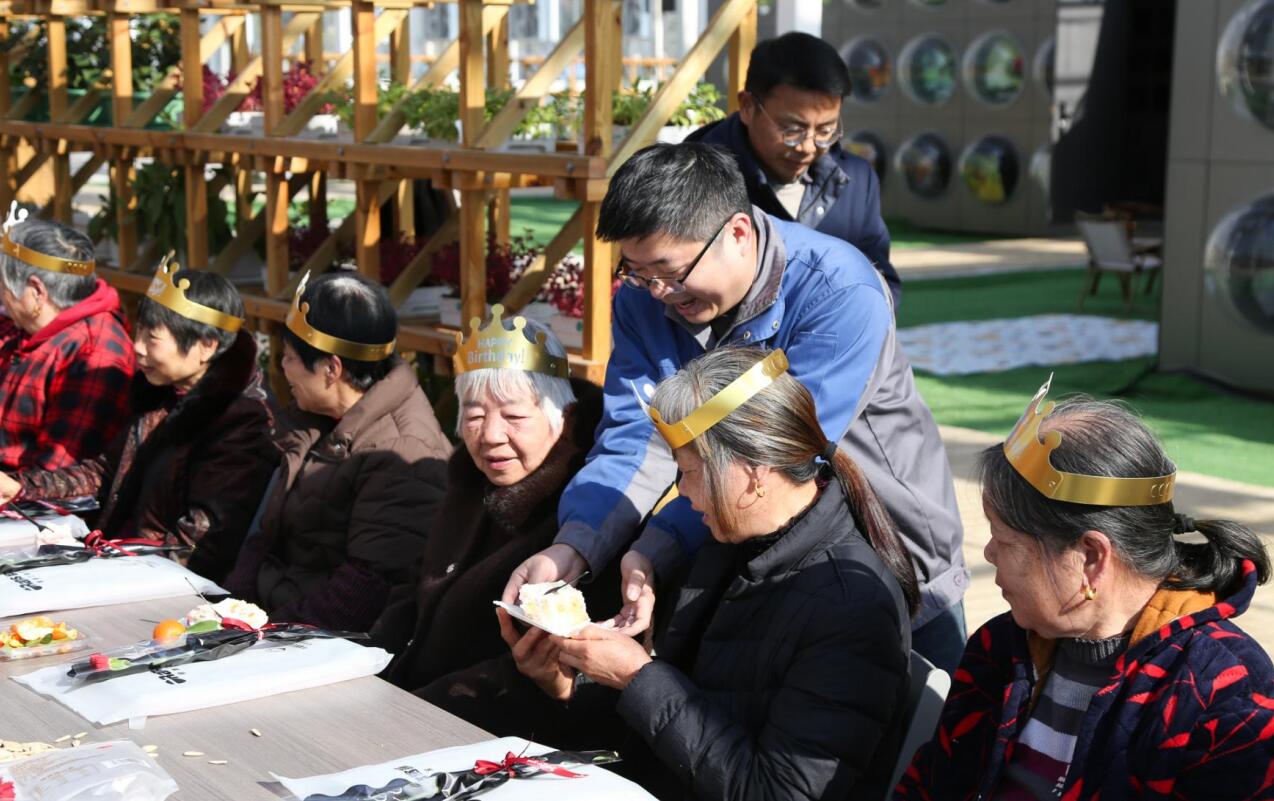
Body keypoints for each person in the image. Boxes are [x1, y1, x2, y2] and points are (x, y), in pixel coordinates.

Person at [504, 142, 969, 672]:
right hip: (754, 558)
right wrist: (575, 546)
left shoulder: (839, 292)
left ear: (739, 233)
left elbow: (773, 460)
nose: (657, 292)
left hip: (891, 549)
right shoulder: (642, 298)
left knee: (929, 714)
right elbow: (637, 434)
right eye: (635, 271)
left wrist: (657, 544)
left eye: (669, 271)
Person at [505, 347, 915, 801]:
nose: (682, 491)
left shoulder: (850, 606)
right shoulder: (726, 545)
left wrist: (637, 676)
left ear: (754, 472)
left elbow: (779, 792)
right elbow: (678, 717)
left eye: (688, 471)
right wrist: (567, 685)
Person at [895, 378, 1274, 801]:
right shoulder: (1000, 648)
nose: (989, 553)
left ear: (1091, 557)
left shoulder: (1222, 690)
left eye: (1005, 540)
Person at [0, 258, 277, 582]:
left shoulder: (240, 420)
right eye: (139, 331)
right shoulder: (161, 394)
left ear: (206, 346)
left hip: (161, 579)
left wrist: (109, 569)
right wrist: (21, 487)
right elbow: (105, 472)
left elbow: (198, 543)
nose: (138, 347)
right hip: (119, 556)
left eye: (152, 337)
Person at [373, 306, 604, 692]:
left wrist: (417, 703)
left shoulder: (584, 518)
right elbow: (416, 589)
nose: (491, 435)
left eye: (514, 418)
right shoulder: (468, 484)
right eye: (475, 417)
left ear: (563, 417)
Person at [224, 271, 451, 631]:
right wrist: (229, 610)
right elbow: (265, 537)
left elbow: (363, 592)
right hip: (268, 620)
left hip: (318, 640)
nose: (282, 368)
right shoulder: (316, 418)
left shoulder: (404, 453)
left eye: (289, 358)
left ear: (332, 369)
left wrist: (260, 634)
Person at [687, 32, 901, 308]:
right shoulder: (694, 175)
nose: (808, 147)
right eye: (791, 130)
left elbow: (879, 281)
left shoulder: (855, 178)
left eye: (826, 130)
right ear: (748, 107)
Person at [0, 205, 134, 472]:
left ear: (36, 292)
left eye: (2, 285)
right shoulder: (23, 325)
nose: (2, 296)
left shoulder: (95, 354)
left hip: (28, 493)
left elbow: (58, 474)